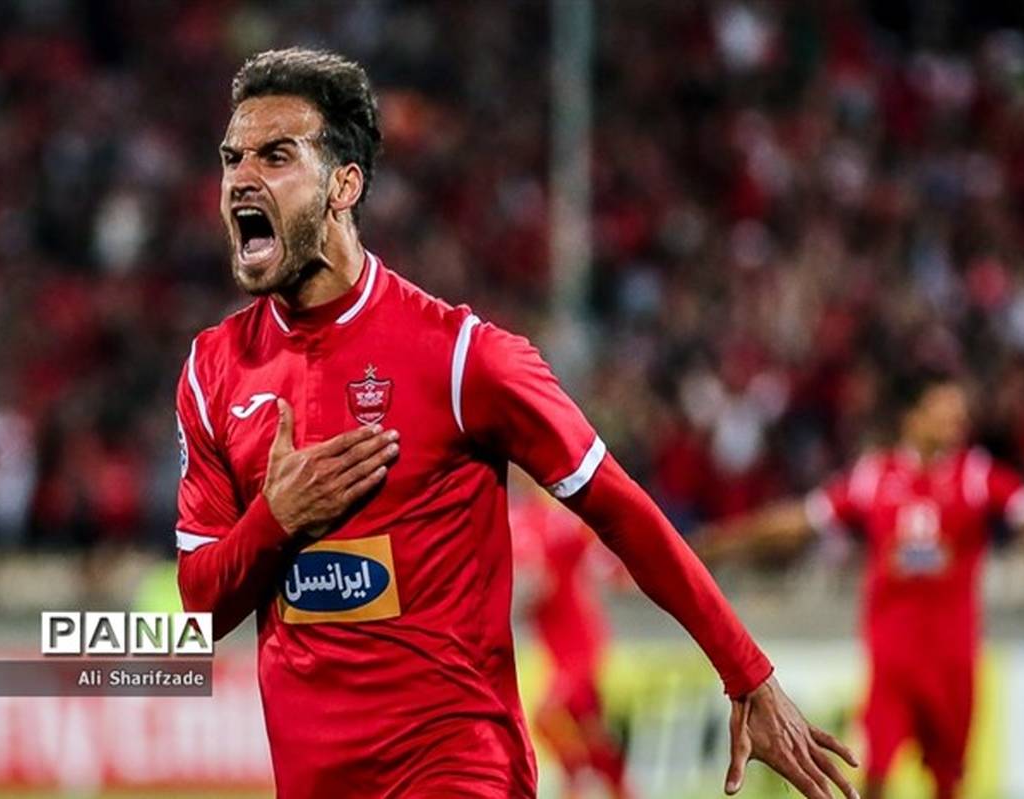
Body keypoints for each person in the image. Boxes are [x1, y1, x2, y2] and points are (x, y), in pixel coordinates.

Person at [174, 47, 856, 799]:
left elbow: (622, 510)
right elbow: (201, 604)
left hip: (457, 768)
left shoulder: (464, 358)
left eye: (276, 156)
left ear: (344, 185)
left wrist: (747, 672)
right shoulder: (212, 372)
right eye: (232, 158)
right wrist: (275, 520)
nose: (241, 177)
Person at [696, 371, 1024, 799]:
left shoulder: (975, 475)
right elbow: (799, 522)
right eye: (945, 410)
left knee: (949, 783)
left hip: (953, 661)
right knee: (873, 775)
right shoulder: (875, 476)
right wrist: (725, 541)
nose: (957, 420)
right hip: (893, 662)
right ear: (913, 417)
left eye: (959, 412)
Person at [509, 476, 632, 798]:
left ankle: (577, 777)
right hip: (558, 647)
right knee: (591, 731)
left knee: (547, 715)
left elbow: (597, 556)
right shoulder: (517, 518)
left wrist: (621, 572)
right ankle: (617, 789)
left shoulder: (558, 517)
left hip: (582, 642)